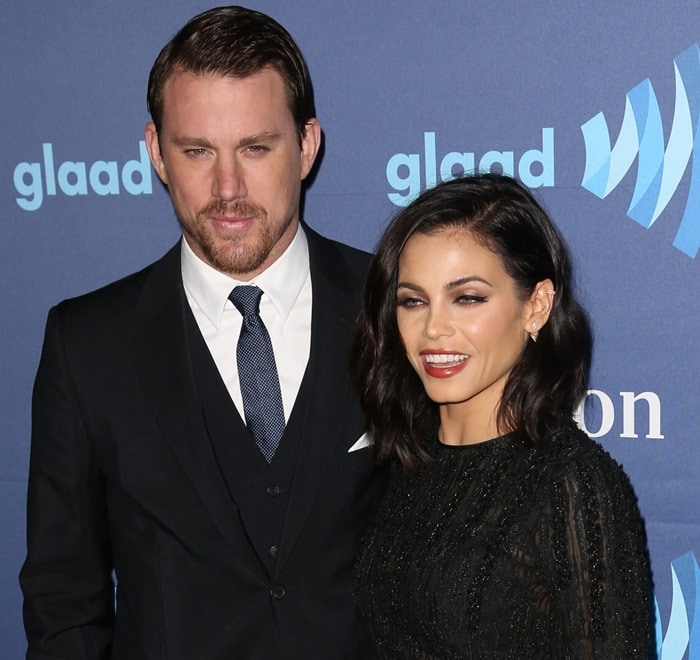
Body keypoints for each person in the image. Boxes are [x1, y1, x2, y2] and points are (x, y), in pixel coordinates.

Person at [20, 6, 387, 659]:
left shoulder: (396, 310)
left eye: (255, 147)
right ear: (157, 152)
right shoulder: (86, 346)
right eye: (197, 151)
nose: (228, 188)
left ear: (306, 145)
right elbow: (63, 601)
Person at [351, 173, 655, 658]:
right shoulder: (407, 459)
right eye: (413, 301)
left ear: (536, 306)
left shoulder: (572, 485)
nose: (433, 329)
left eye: (467, 298)